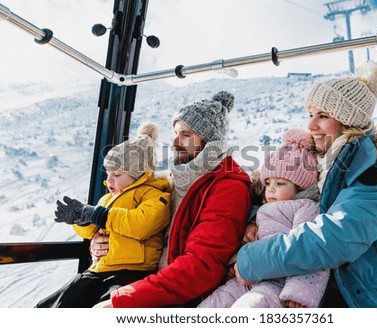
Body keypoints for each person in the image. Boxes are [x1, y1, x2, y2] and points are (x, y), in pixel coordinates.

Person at [234, 61, 377, 307]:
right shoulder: (323, 166)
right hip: (347, 295)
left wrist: (252, 259)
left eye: (323, 116)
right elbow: (284, 191)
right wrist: (254, 219)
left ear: (348, 122)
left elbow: (338, 237)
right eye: (310, 115)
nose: (311, 125)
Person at [93, 91, 252, 308]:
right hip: (146, 277)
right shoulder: (170, 180)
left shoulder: (227, 188)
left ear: (210, 140)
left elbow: (201, 266)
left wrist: (126, 300)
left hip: (185, 296)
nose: (176, 142)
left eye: (186, 134)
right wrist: (100, 240)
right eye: (176, 133)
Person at [36, 122, 171, 308]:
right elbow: (93, 231)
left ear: (140, 175)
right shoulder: (107, 200)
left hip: (131, 272)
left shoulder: (155, 195)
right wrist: (81, 219)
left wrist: (98, 215)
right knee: (54, 305)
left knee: (106, 308)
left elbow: (142, 224)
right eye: (107, 173)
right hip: (98, 270)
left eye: (116, 174)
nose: (108, 181)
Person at [198, 129, 329, 308]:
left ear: (300, 187)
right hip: (246, 280)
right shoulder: (260, 209)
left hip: (277, 284)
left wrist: (299, 294)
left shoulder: (306, 207)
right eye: (268, 183)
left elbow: (310, 249)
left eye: (280, 183)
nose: (271, 189)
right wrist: (237, 262)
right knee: (214, 303)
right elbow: (253, 242)